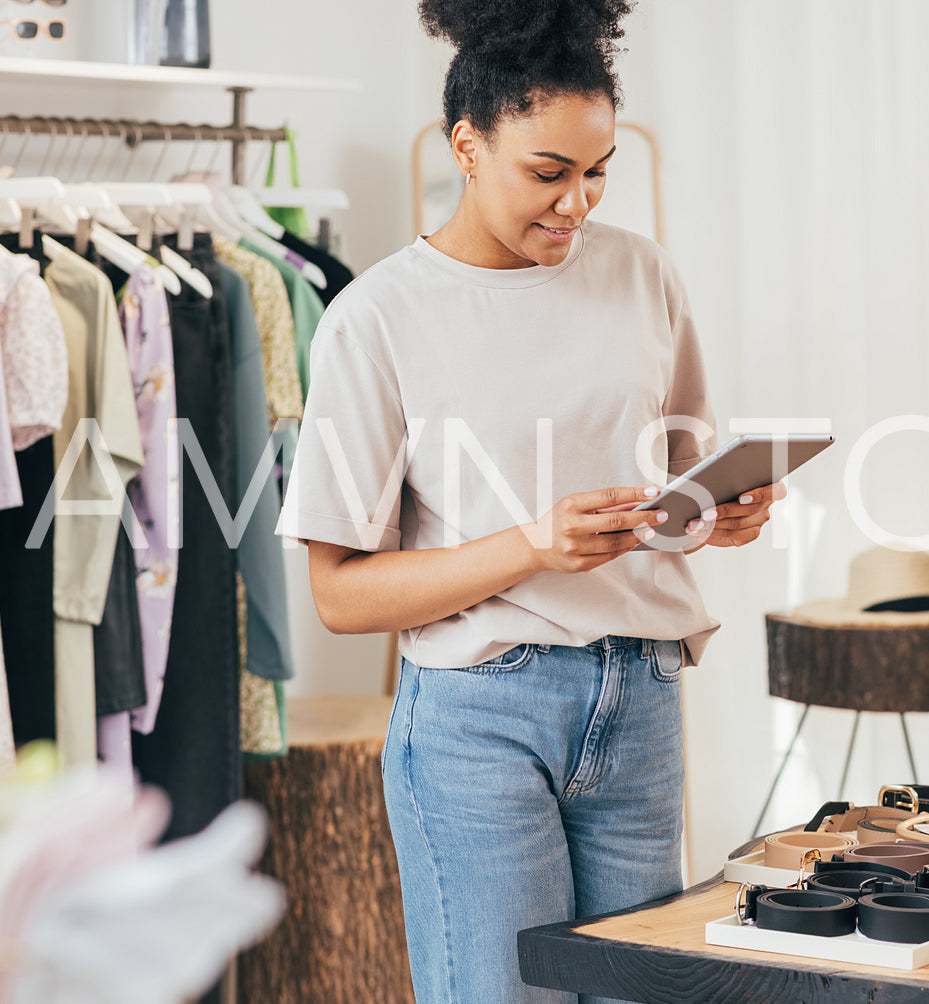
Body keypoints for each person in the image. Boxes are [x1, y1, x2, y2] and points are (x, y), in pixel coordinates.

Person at [274, 1, 786, 1000]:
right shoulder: (376, 317)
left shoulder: (642, 277)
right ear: (468, 145)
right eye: (546, 173)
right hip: (478, 718)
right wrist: (530, 546)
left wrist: (720, 513)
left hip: (639, 699)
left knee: (638, 991)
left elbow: (679, 478)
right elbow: (341, 595)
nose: (576, 202)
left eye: (595, 173)